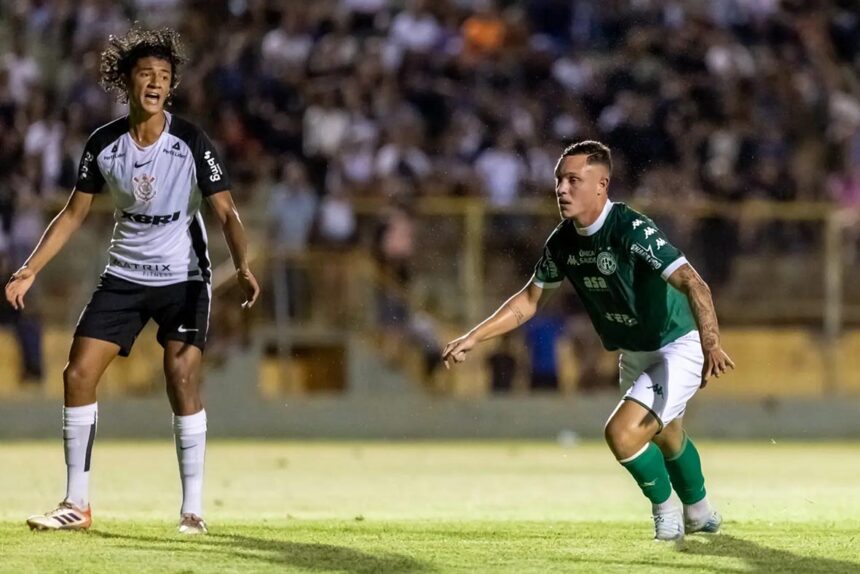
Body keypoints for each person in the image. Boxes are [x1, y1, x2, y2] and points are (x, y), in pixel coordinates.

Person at [4, 25, 260, 535]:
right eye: (146, 73)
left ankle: (192, 510)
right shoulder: (103, 144)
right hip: (124, 273)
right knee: (77, 374)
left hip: (184, 277)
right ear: (127, 81)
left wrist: (243, 265)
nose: (156, 82)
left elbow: (227, 212)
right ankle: (76, 504)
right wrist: (31, 267)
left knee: (181, 375)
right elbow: (73, 214)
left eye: (164, 75)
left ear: (171, 85)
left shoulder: (191, 141)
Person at [442, 140, 734, 541]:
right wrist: (475, 336)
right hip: (634, 351)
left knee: (622, 434)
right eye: (559, 181)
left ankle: (666, 512)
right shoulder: (563, 241)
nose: (562, 189)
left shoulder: (630, 228)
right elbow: (530, 301)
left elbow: (693, 282)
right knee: (666, 434)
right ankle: (700, 513)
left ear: (601, 185)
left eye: (573, 180)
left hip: (676, 345)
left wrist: (710, 343)